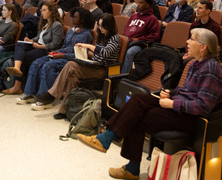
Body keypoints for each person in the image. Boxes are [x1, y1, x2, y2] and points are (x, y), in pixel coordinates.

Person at [77, 28, 222, 180]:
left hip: (192, 119)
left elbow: (204, 106)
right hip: (180, 107)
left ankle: (128, 164)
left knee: (138, 118)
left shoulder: (211, 68)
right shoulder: (194, 64)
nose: (187, 41)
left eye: (191, 39)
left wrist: (172, 104)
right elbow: (186, 91)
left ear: (203, 46)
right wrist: (171, 94)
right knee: (138, 99)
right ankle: (106, 138)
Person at [45, 13, 121, 119]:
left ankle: (53, 93)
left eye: (103, 26)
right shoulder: (101, 37)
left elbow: (105, 53)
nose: (100, 28)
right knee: (72, 77)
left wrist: (89, 46)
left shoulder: (115, 38)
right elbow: (95, 54)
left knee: (71, 64)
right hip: (93, 65)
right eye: (99, 25)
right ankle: (64, 110)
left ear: (109, 26)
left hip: (102, 69)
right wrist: (84, 52)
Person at [19, 7, 94, 109]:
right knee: (36, 63)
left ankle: (46, 99)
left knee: (48, 66)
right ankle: (30, 93)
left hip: (70, 59)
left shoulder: (86, 35)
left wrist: (62, 55)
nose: (72, 19)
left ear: (83, 19)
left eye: (76, 17)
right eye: (72, 17)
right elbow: (64, 47)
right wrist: (56, 52)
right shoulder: (71, 31)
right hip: (60, 54)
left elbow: (79, 54)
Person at [4, 3, 64, 95]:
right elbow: (38, 37)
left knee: (23, 57)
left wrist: (39, 46)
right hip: (37, 46)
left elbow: (56, 44)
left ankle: (17, 86)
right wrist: (30, 40)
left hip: (45, 50)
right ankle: (16, 68)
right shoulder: (44, 23)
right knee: (19, 45)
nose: (41, 12)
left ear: (51, 12)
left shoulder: (57, 25)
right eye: (41, 10)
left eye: (44, 10)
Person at [121, 0, 160, 73]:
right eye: (138, 2)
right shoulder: (133, 16)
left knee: (130, 53)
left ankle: (122, 76)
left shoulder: (152, 19)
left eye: (141, 3)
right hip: (128, 40)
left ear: (147, 5)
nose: (138, 5)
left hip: (140, 43)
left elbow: (154, 36)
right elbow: (126, 29)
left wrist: (139, 39)